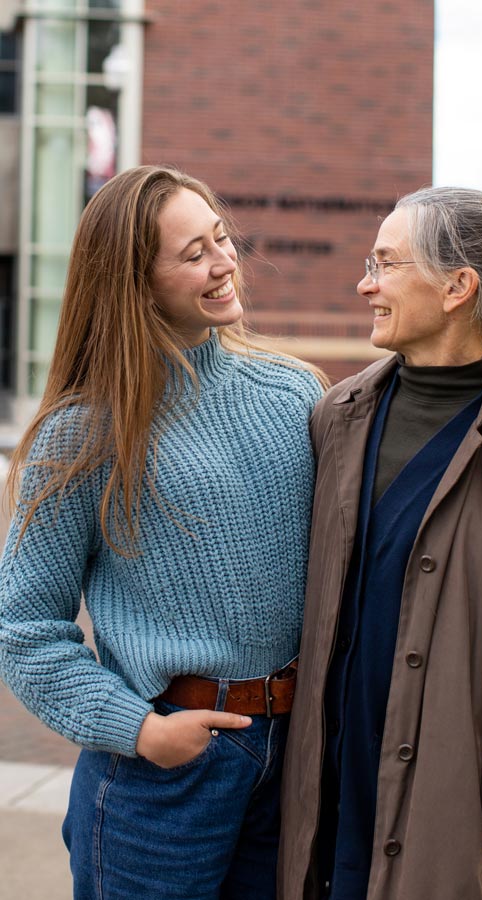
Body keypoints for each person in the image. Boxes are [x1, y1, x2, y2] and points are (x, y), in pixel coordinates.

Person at [0, 165, 325, 900]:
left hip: (294, 755)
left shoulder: (295, 393)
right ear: (136, 282)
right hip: (165, 768)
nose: (223, 262)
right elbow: (23, 627)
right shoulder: (82, 432)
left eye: (221, 239)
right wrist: (141, 732)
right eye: (193, 254)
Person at [278, 186, 482, 900]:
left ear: (458, 287)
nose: (366, 283)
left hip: (452, 849)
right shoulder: (339, 415)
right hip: (324, 829)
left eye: (386, 264)